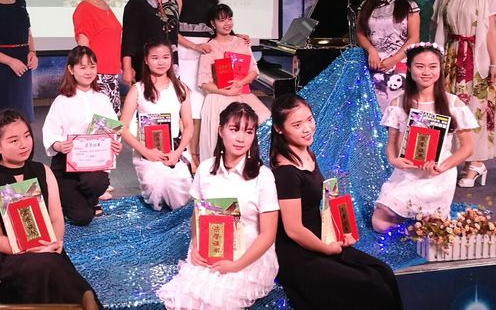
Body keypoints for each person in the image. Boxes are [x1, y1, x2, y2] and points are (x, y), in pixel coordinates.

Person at [270, 94, 403, 310]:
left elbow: (325, 198)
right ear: (279, 128)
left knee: (384, 273)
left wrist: (342, 231)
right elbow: (293, 230)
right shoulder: (285, 172)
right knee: (372, 287)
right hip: (299, 252)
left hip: (323, 237)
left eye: (309, 119)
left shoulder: (307, 154)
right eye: (297, 125)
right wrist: (326, 249)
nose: (307, 128)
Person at [0, 109, 101, 306]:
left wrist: (54, 242)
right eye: (14, 140)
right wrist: (30, 249)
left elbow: (56, 217)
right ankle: (87, 301)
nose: (24, 144)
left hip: (45, 246)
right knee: (46, 264)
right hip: (7, 254)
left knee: (49, 263)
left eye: (27, 136)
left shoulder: (43, 171)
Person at [157, 102, 279, 310]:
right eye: (234, 129)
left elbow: (268, 234)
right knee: (184, 300)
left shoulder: (263, 176)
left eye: (248, 132)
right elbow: (198, 214)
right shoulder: (205, 169)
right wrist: (196, 244)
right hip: (213, 248)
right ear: (221, 130)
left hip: (249, 256)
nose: (241, 138)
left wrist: (236, 265)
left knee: (217, 301)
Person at [372, 43, 476, 232]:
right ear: (409, 68)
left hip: (439, 174)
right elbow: (391, 143)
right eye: (420, 66)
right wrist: (395, 160)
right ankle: (413, 224)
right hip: (408, 172)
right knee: (379, 224)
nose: (426, 72)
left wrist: (441, 167)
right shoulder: (398, 103)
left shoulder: (453, 103)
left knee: (432, 231)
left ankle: (421, 223)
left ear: (440, 68)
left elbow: (467, 147)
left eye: (432, 66)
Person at [432, 0, 496, 187]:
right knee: (449, 108)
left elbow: (491, 32)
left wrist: (494, 63)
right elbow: (435, 28)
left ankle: (476, 163)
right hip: (450, 57)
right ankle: (451, 160)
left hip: (476, 59)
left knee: (475, 108)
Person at [42, 46, 123, 225]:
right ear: (71, 69)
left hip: (93, 166)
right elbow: (50, 133)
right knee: (82, 218)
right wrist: (59, 145)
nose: (88, 72)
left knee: (96, 182)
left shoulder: (102, 100)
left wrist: (115, 144)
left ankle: (91, 199)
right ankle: (69, 200)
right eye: (83, 67)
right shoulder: (61, 101)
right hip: (66, 165)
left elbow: (113, 131)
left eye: (92, 67)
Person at [119, 39, 193, 211]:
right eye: (155, 58)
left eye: (166, 57)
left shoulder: (181, 89)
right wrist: (146, 152)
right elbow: (122, 127)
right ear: (146, 60)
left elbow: (189, 125)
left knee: (178, 194)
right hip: (147, 152)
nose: (161, 62)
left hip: (175, 151)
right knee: (158, 184)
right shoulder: (137, 89)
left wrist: (177, 153)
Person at [197, 4, 270, 161]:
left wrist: (240, 82)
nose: (227, 23)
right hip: (219, 95)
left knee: (265, 118)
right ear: (213, 23)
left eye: (229, 19)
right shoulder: (209, 47)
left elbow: (254, 71)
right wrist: (227, 92)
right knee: (229, 125)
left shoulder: (241, 42)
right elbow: (203, 82)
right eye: (222, 20)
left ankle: (252, 162)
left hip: (242, 92)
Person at [356, 0, 420, 113]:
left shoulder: (409, 6)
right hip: (373, 65)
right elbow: (360, 33)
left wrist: (394, 59)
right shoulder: (365, 6)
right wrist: (371, 50)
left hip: (400, 65)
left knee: (399, 111)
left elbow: (414, 38)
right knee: (375, 112)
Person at [175, 0, 219, 167]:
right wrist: (194, 46)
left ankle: (198, 154)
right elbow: (171, 31)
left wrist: (238, 37)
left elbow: (219, 27)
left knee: (201, 108)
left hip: (206, 56)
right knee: (187, 105)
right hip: (186, 55)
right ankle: (187, 154)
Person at [73, 0, 123, 114]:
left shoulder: (105, 5)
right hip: (97, 77)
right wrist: (89, 76)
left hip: (111, 76)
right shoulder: (85, 8)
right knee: (101, 125)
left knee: (112, 124)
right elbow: (83, 47)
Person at [121, 0, 179, 84]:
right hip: (144, 65)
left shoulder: (172, 1)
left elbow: (175, 36)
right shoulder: (136, 2)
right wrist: (127, 68)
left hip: (171, 65)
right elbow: (128, 39)